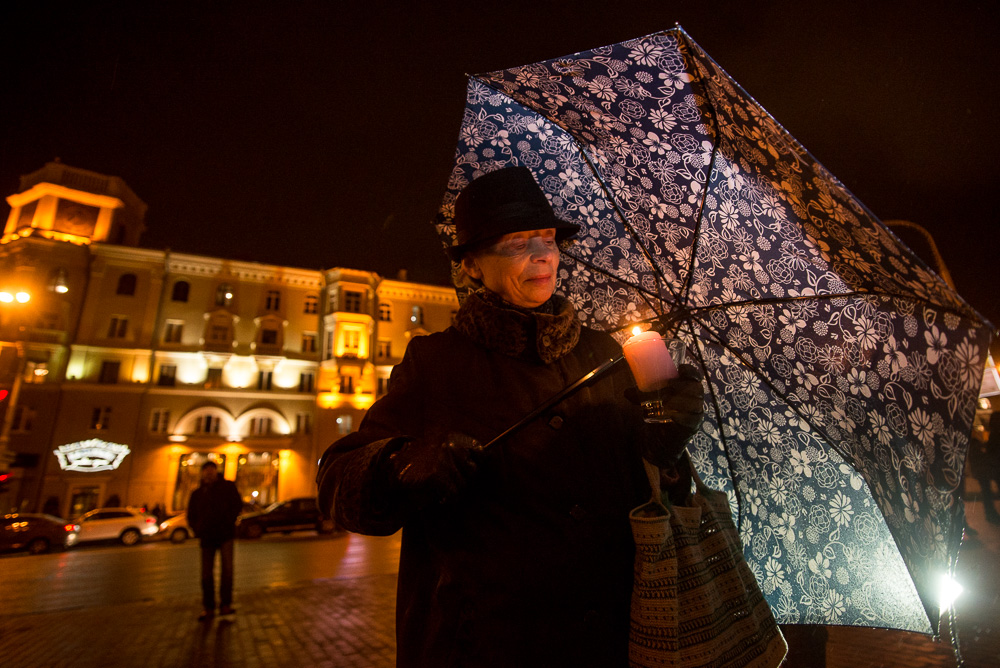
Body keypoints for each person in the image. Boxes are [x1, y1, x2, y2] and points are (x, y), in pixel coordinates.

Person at [317, 166, 705, 667]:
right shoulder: (437, 363)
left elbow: (649, 495)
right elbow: (336, 482)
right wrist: (401, 466)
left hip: (608, 639)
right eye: (518, 243)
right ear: (474, 266)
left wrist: (667, 448)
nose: (543, 254)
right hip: (486, 643)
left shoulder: (605, 355)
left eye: (547, 239)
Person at [187, 460, 243, 620]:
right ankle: (209, 607)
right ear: (203, 473)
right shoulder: (198, 493)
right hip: (207, 537)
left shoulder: (227, 487)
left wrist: (229, 521)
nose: (209, 472)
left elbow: (237, 505)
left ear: (216, 471)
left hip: (225, 534)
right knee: (206, 574)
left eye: (211, 469)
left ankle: (225, 605)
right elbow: (191, 514)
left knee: (227, 571)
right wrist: (197, 529)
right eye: (206, 470)